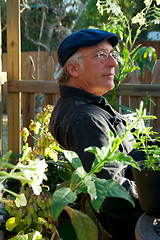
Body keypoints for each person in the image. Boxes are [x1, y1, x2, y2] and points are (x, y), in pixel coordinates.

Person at [49, 28, 143, 240]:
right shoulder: (85, 119)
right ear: (73, 68)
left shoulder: (91, 104)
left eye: (112, 54)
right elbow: (111, 193)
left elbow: (129, 153)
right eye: (101, 55)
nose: (113, 63)